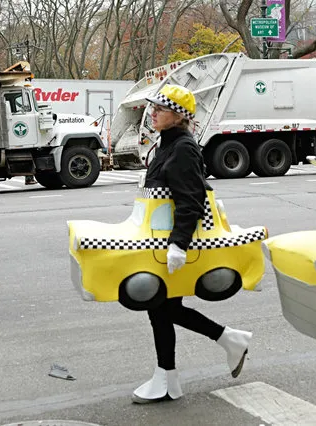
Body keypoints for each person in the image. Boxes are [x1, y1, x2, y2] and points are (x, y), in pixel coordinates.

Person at [131, 84, 252, 404]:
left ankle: (169, 377)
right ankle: (220, 346)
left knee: (161, 308)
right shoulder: (167, 144)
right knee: (164, 308)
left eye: (160, 108)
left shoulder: (182, 147)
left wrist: (178, 245)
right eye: (153, 107)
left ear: (179, 116)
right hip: (159, 241)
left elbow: (191, 200)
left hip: (171, 244)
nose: (153, 112)